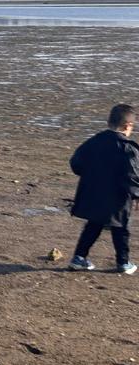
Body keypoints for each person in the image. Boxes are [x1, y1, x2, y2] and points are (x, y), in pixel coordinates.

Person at [67, 104, 139, 274]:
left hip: (94, 193)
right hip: (118, 197)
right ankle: (123, 262)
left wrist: (91, 174)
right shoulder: (127, 147)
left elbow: (76, 163)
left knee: (93, 225)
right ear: (128, 126)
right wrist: (137, 195)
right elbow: (132, 175)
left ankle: (79, 258)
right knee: (121, 228)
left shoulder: (94, 141)